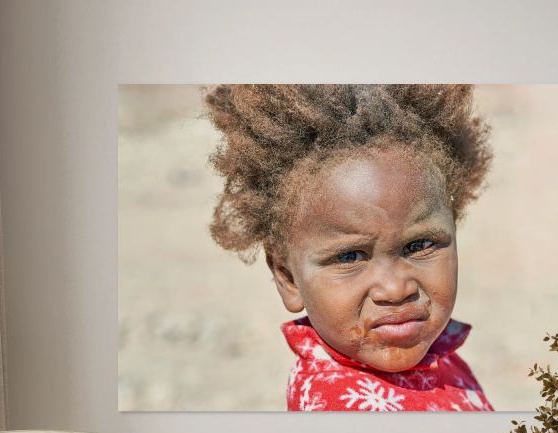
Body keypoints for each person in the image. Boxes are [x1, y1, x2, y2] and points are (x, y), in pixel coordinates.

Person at [203, 84, 494, 412]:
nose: (396, 288)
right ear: (288, 278)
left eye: (420, 245)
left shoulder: (439, 359)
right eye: (350, 256)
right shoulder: (339, 405)